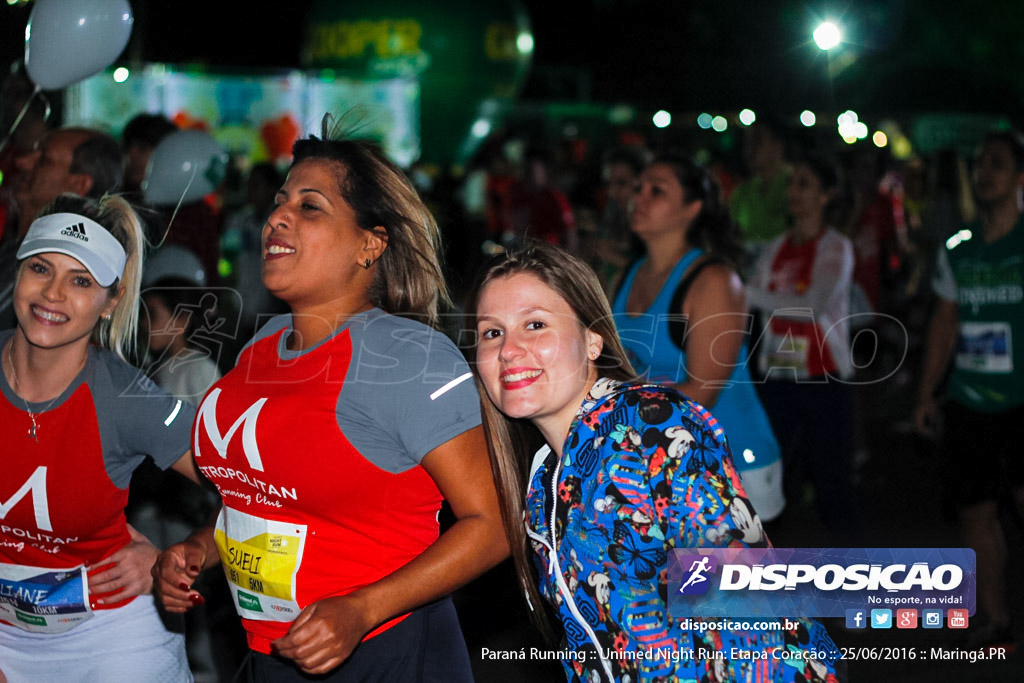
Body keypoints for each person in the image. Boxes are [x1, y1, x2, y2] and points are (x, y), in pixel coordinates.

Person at [151, 114, 508, 681]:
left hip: (386, 652)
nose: (277, 218)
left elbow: (494, 523)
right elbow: (269, 500)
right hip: (271, 655)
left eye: (309, 207)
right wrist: (201, 548)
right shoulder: (263, 347)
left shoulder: (406, 357)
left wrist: (361, 610)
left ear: (370, 244)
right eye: (279, 201)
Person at [463, 241, 840, 682]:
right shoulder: (544, 477)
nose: (509, 350)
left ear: (592, 341)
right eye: (492, 332)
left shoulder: (652, 427)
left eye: (535, 324)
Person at [0, 193, 202, 681]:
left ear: (111, 302)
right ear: (18, 273)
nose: (52, 294)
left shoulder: (128, 398)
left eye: (81, 281)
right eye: (41, 269)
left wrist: (183, 554)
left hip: (111, 634)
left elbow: (256, 491)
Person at [611, 154, 785, 522]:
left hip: (731, 461)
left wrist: (611, 414)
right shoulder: (628, 273)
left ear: (692, 208)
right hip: (662, 462)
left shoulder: (714, 281)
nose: (638, 198)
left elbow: (703, 392)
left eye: (656, 191)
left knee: (731, 580)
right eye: (638, 188)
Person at [914, 129, 1024, 650]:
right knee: (975, 512)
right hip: (970, 401)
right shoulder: (959, 248)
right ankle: (995, 620)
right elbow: (944, 322)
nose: (985, 174)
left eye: (998, 164)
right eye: (980, 164)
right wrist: (927, 393)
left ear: (1020, 177)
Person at [745, 151, 861, 539]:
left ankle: (850, 577)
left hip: (823, 378)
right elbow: (757, 303)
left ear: (826, 195)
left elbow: (812, 306)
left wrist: (746, 292)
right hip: (778, 375)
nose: (793, 191)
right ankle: (779, 576)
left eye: (805, 184)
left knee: (831, 481)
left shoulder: (836, 247)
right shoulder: (776, 246)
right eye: (792, 182)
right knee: (774, 477)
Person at [0, 126, 123, 329]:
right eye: (39, 269)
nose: (22, 162)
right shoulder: (11, 249)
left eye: (44, 160)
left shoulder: (99, 268)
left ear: (79, 185)